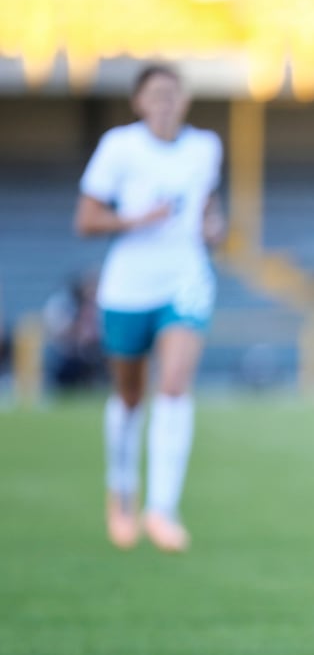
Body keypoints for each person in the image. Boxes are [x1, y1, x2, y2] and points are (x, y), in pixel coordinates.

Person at [74, 62, 225, 553]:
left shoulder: (205, 148)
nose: (165, 101)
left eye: (173, 93)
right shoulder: (121, 147)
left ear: (184, 100)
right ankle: (121, 493)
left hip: (184, 275)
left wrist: (213, 228)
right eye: (155, 93)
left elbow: (207, 207)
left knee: (175, 385)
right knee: (130, 396)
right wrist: (136, 220)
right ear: (139, 101)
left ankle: (162, 508)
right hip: (129, 282)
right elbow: (87, 219)